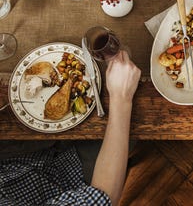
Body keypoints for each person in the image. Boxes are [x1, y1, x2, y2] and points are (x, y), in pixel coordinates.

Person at [0, 50, 141, 206]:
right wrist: (121, 97)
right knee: (136, 121)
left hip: (12, 157)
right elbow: (103, 197)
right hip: (70, 177)